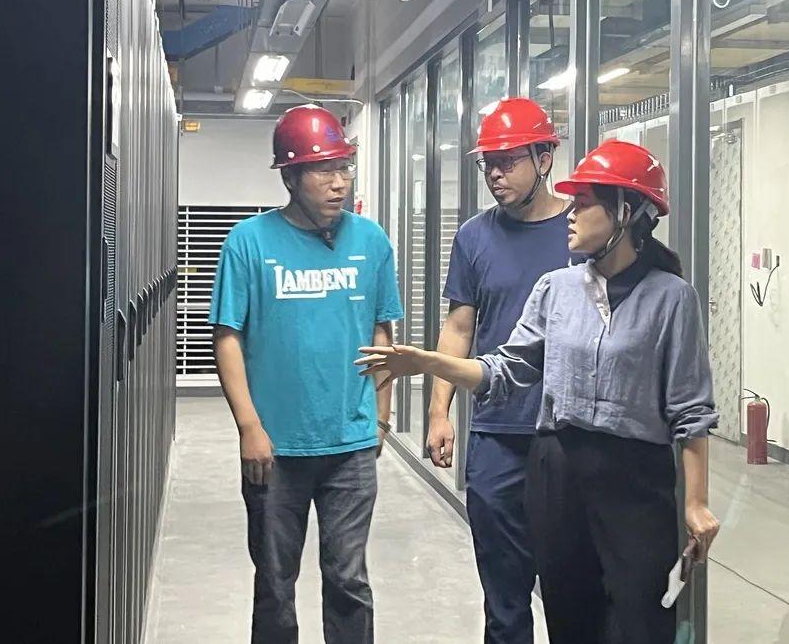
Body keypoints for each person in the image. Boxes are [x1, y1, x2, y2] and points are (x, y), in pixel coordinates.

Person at [359, 139, 721, 644]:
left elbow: (690, 409)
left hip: (635, 478)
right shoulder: (556, 288)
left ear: (625, 212)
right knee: (569, 613)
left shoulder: (673, 298)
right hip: (558, 467)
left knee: (640, 618)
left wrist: (696, 502)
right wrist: (428, 363)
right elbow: (506, 369)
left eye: (584, 203)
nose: (571, 214)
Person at [210, 104, 403, 644]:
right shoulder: (249, 241)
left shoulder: (371, 241)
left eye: (344, 168)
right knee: (275, 584)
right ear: (291, 177)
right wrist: (249, 427)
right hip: (275, 449)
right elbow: (228, 336)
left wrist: (380, 420)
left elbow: (382, 334)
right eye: (324, 170)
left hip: (350, 445)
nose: (339, 182)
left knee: (349, 581)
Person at [426, 97, 571, 643]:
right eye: (488, 163)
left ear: (544, 159)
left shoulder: (582, 231)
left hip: (568, 435)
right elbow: (459, 327)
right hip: (496, 433)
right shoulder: (474, 237)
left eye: (508, 161)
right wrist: (439, 411)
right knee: (504, 597)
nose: (495, 174)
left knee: (572, 590)